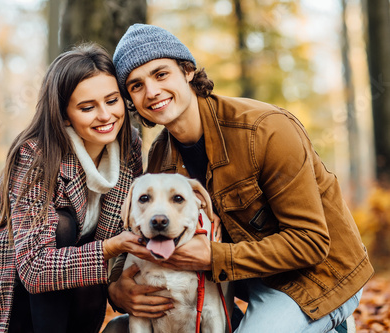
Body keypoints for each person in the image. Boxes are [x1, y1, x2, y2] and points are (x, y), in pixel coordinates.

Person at [105, 24, 374, 332]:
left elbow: (311, 243)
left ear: (187, 71)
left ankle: (331, 321)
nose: (151, 92)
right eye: (136, 86)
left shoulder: (266, 130)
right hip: (241, 278)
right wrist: (117, 289)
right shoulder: (159, 158)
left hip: (318, 276)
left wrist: (213, 256)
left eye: (161, 74)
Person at [0, 43, 146, 333]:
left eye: (112, 101)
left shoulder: (130, 146)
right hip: (0, 265)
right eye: (87, 107)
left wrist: (118, 281)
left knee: (90, 262)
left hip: (69, 259)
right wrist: (109, 248)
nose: (105, 116)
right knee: (63, 226)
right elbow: (35, 267)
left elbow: (128, 224)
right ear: (64, 115)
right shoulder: (37, 156)